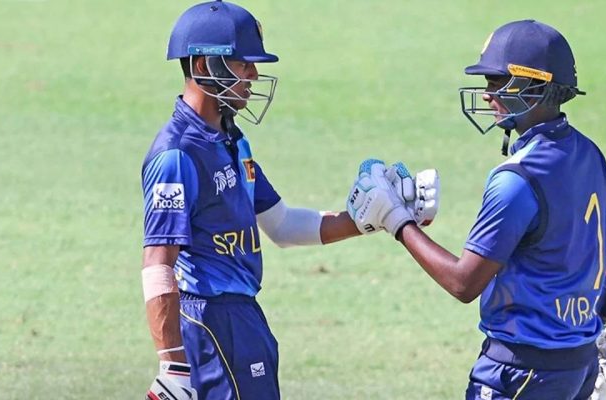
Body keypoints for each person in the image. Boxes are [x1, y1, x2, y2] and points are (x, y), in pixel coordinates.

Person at [140, 2, 438, 399]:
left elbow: (282, 225)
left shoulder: (231, 141)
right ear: (203, 66)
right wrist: (173, 364)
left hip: (243, 317)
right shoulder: (177, 155)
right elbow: (158, 264)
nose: (253, 75)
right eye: (243, 64)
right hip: (209, 322)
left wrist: (376, 217)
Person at [346, 20, 606, 400]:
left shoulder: (516, 179)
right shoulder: (589, 153)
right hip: (578, 364)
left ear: (535, 86)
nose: (487, 95)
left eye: (497, 82)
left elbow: (464, 283)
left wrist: (396, 221)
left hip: (520, 372)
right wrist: (595, 322)